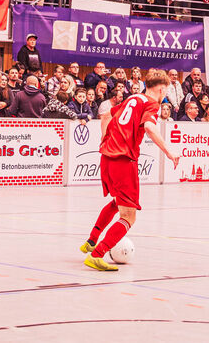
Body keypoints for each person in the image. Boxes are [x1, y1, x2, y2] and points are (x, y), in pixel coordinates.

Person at [81, 70, 181, 271]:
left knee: (118, 201)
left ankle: (91, 241)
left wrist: (104, 138)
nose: (165, 95)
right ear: (161, 89)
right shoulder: (151, 104)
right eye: (166, 90)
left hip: (107, 156)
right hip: (123, 160)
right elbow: (151, 129)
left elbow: (105, 115)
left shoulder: (133, 98)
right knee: (129, 216)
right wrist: (169, 151)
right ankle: (97, 254)